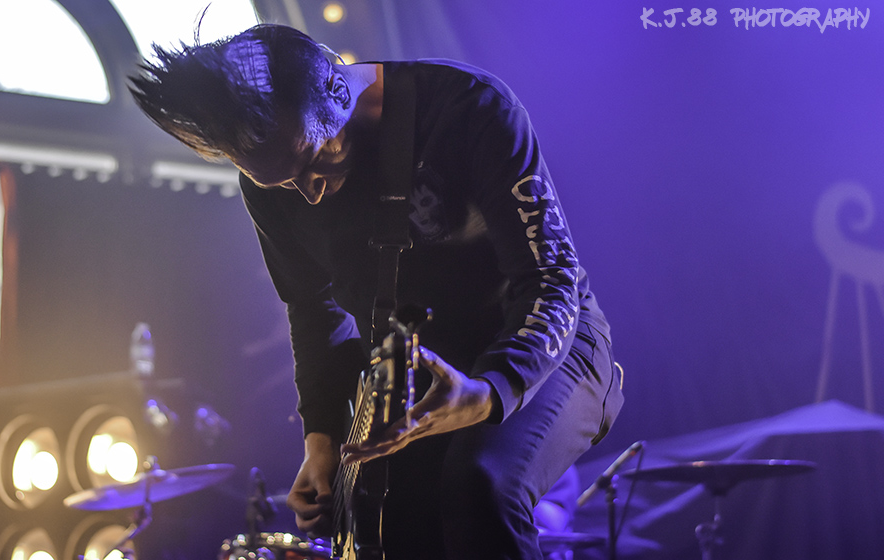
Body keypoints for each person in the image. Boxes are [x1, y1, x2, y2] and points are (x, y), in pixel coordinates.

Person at [130, 23, 623, 560]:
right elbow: (312, 311)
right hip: (423, 371)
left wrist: (489, 389)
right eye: (284, 182)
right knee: (383, 523)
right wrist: (320, 441)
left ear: (341, 92)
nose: (309, 192)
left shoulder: (471, 110)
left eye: (316, 158)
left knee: (479, 484)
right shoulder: (271, 184)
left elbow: (551, 282)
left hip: (550, 347)